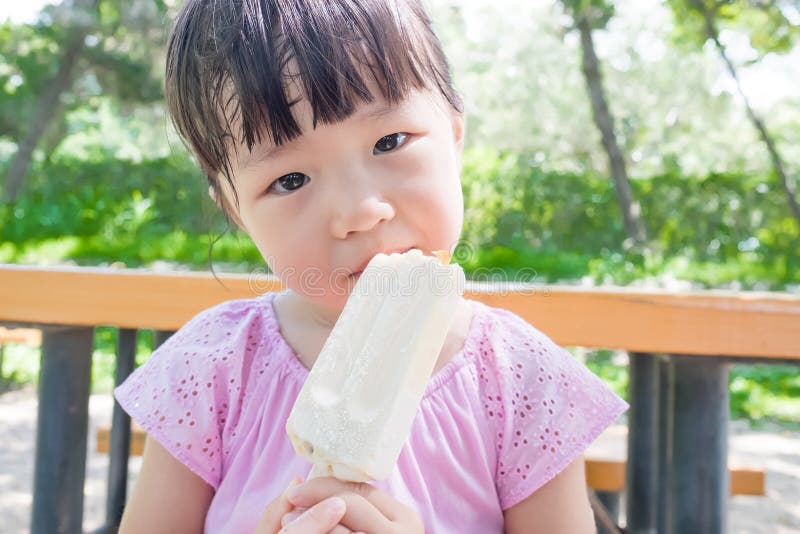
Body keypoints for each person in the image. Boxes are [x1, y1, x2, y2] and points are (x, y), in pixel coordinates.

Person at [114, 0, 629, 532]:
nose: (359, 213)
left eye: (389, 141)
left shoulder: (525, 383)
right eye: (290, 180)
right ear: (234, 210)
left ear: (454, 135)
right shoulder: (210, 371)